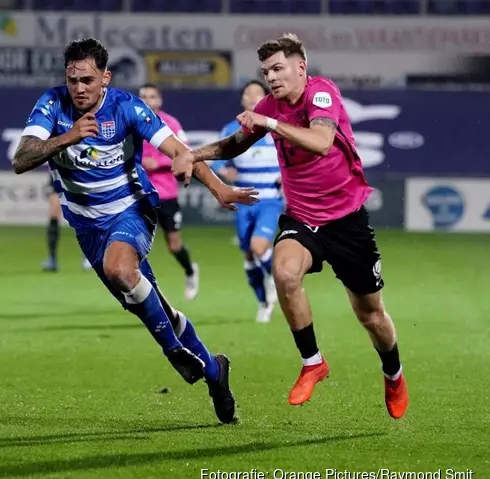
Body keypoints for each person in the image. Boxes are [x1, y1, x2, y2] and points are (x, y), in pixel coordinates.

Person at [12, 37, 259, 423]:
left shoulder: (126, 107)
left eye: (88, 80)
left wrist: (218, 188)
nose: (79, 88)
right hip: (87, 228)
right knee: (152, 306)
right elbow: (21, 158)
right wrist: (69, 136)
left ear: (105, 78)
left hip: (132, 210)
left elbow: (179, 150)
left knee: (120, 270)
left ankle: (173, 352)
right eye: (73, 79)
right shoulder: (52, 104)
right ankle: (214, 371)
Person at [172, 34, 408, 419]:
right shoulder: (270, 106)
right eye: (266, 72)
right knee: (283, 272)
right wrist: (193, 153)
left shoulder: (321, 93)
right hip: (302, 216)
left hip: (348, 222)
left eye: (278, 69)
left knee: (371, 315)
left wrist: (269, 122)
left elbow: (321, 142)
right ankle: (313, 362)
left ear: (301, 67)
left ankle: (393, 374)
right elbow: (236, 143)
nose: (272, 78)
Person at [214, 80, 283, 323]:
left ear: (266, 99)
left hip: (269, 201)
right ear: (242, 100)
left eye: (257, 93)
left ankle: (277, 279)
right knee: (248, 257)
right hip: (245, 202)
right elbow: (217, 159)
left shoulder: (276, 127)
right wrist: (224, 172)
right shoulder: (231, 129)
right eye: (247, 93)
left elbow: (294, 157)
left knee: (258, 247)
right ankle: (263, 302)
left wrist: (285, 178)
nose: (252, 97)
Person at [138, 83, 199, 301]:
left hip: (165, 194)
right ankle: (143, 293)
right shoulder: (131, 123)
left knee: (174, 245)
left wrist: (160, 161)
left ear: (159, 100)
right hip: (139, 193)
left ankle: (190, 270)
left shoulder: (170, 123)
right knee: (134, 245)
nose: (147, 99)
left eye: (152, 96)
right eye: (143, 95)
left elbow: (186, 152)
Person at [41, 168, 93, 272]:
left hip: (78, 171)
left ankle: (89, 256)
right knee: (54, 212)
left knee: (83, 213)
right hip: (59, 171)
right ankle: (52, 259)